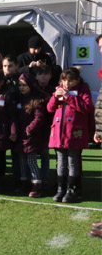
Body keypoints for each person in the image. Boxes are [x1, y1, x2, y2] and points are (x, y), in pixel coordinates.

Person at [47, 67, 93, 203]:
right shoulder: (58, 89)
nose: (66, 84)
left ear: (77, 80)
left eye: (70, 81)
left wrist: (69, 97)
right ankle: (61, 188)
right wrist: (55, 97)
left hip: (74, 133)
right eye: (64, 80)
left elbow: (87, 107)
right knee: (60, 162)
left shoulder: (83, 90)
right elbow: (49, 108)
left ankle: (72, 189)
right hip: (59, 132)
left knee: (73, 162)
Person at [17, 74, 50, 198]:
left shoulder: (37, 100)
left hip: (32, 136)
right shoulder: (19, 99)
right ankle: (24, 182)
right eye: (20, 85)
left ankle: (37, 184)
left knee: (31, 161)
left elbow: (39, 118)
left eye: (24, 85)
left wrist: (29, 129)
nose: (22, 88)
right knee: (22, 161)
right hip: (20, 135)